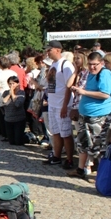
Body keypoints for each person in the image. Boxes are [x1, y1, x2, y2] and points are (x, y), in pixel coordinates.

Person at [69, 52, 111, 179]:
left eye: (95, 64)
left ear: (102, 63)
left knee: (98, 145)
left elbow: (105, 94)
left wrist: (83, 92)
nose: (92, 67)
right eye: (90, 64)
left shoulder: (104, 73)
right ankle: (80, 169)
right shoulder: (90, 73)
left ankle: (102, 173)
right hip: (86, 114)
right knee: (83, 143)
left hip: (99, 115)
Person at [43, 41, 76, 169]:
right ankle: (56, 156)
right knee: (55, 132)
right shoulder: (53, 64)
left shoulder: (66, 65)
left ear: (57, 50)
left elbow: (69, 86)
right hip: (53, 103)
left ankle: (69, 159)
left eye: (49, 49)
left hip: (63, 104)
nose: (47, 52)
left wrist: (65, 105)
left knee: (65, 133)